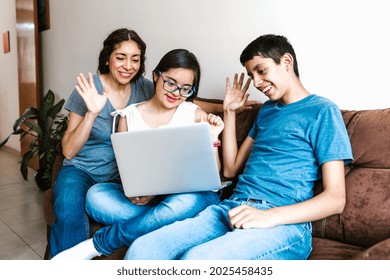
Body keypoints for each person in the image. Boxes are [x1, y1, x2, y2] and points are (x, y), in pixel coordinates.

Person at [121, 34, 354, 260]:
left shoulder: (322, 111)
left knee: (198, 260)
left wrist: (268, 217)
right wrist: (229, 112)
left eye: (261, 71)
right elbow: (231, 170)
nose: (257, 83)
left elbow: (335, 199)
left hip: (284, 221)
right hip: (232, 208)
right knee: (142, 250)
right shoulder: (267, 111)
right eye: (252, 75)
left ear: (286, 62)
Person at [51, 49, 224, 260]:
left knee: (190, 203)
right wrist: (141, 190)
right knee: (96, 197)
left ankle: (104, 241)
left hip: (184, 197)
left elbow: (213, 180)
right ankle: (170, 222)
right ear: (155, 76)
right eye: (170, 83)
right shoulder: (127, 116)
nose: (175, 92)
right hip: (147, 202)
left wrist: (213, 137)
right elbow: (128, 172)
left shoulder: (194, 114)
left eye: (185, 88)